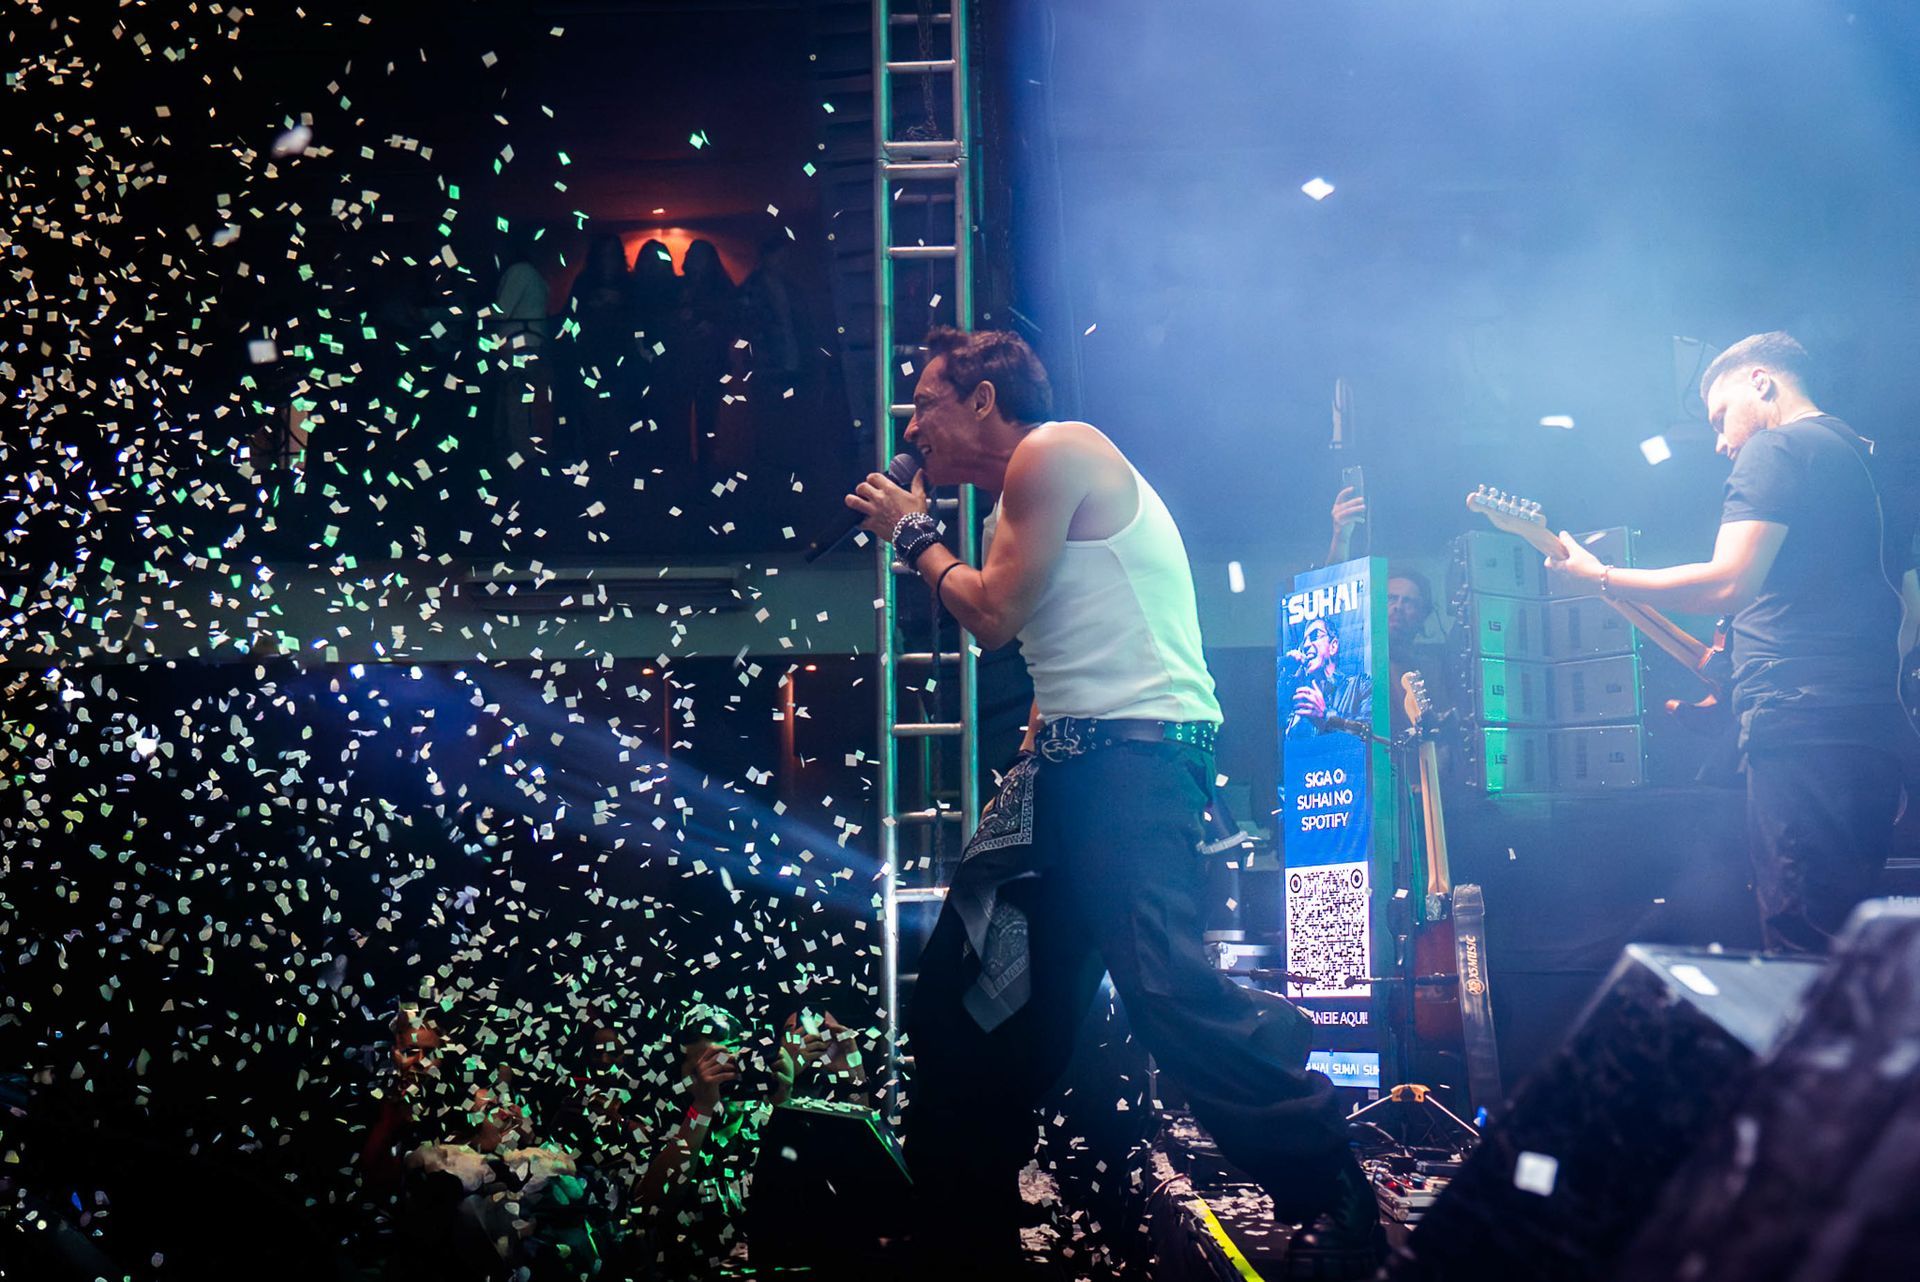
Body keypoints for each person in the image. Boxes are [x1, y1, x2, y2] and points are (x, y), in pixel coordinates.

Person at [845, 327, 1377, 1276]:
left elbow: (993, 616)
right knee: (973, 992)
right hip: (1067, 775)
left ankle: (1326, 1175)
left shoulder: (1057, 449)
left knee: (1163, 986)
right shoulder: (1016, 497)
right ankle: (963, 1231)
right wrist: (1037, 735)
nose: (912, 422)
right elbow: (1072, 624)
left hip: (1131, 769)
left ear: (981, 400)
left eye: (925, 400)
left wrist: (911, 534)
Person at [1550, 331, 1910, 953]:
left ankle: (1807, 1053)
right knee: (1852, 939)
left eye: (1720, 417)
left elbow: (1727, 581)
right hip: (1875, 729)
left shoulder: (1777, 448)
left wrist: (1600, 577)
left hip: (1801, 724)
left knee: (1803, 941)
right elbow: (1911, 614)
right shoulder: (1869, 457)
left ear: (1760, 382)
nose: (1720, 441)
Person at [1285, 615, 1373, 739]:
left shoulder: (1360, 686)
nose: (1306, 645)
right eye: (1303, 642)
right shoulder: (1301, 702)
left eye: (1315, 636)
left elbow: (1370, 737)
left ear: (1333, 646)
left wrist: (1326, 716)